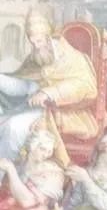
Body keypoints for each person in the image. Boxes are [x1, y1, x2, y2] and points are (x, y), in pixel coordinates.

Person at [0, 8, 98, 164]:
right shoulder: (35, 57)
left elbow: (84, 85)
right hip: (34, 108)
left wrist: (49, 93)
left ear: (48, 37)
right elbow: (23, 83)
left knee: (14, 127)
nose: (36, 46)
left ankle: (4, 169)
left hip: (64, 112)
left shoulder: (72, 57)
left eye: (39, 41)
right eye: (32, 43)